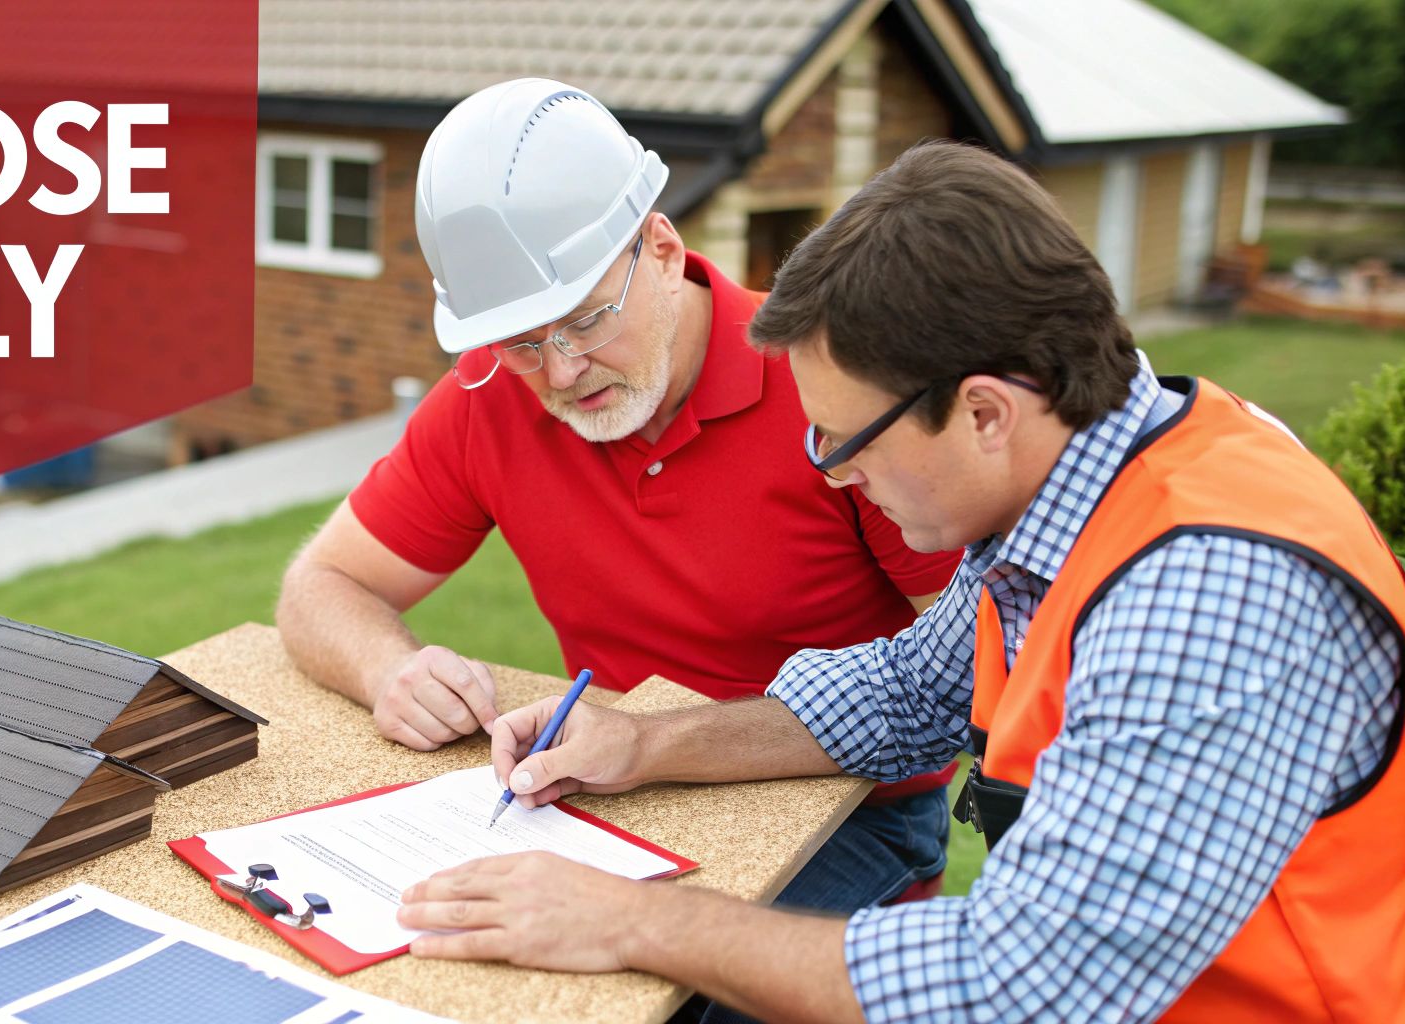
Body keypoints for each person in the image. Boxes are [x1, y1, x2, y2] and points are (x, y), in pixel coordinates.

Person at [395, 140, 1405, 1023]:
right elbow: (906, 692)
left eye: (846, 439)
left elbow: (1017, 987)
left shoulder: (1203, 597)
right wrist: (643, 742)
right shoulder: (1087, 484)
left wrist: (629, 919)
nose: (829, 470)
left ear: (982, 413)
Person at [275, 77, 962, 914]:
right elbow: (323, 585)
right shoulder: (488, 397)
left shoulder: (832, 390)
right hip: (606, 789)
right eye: (524, 341)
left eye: (587, 319)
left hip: (848, 809)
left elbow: (970, 668)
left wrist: (658, 743)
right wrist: (387, 670)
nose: (562, 371)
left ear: (662, 251)